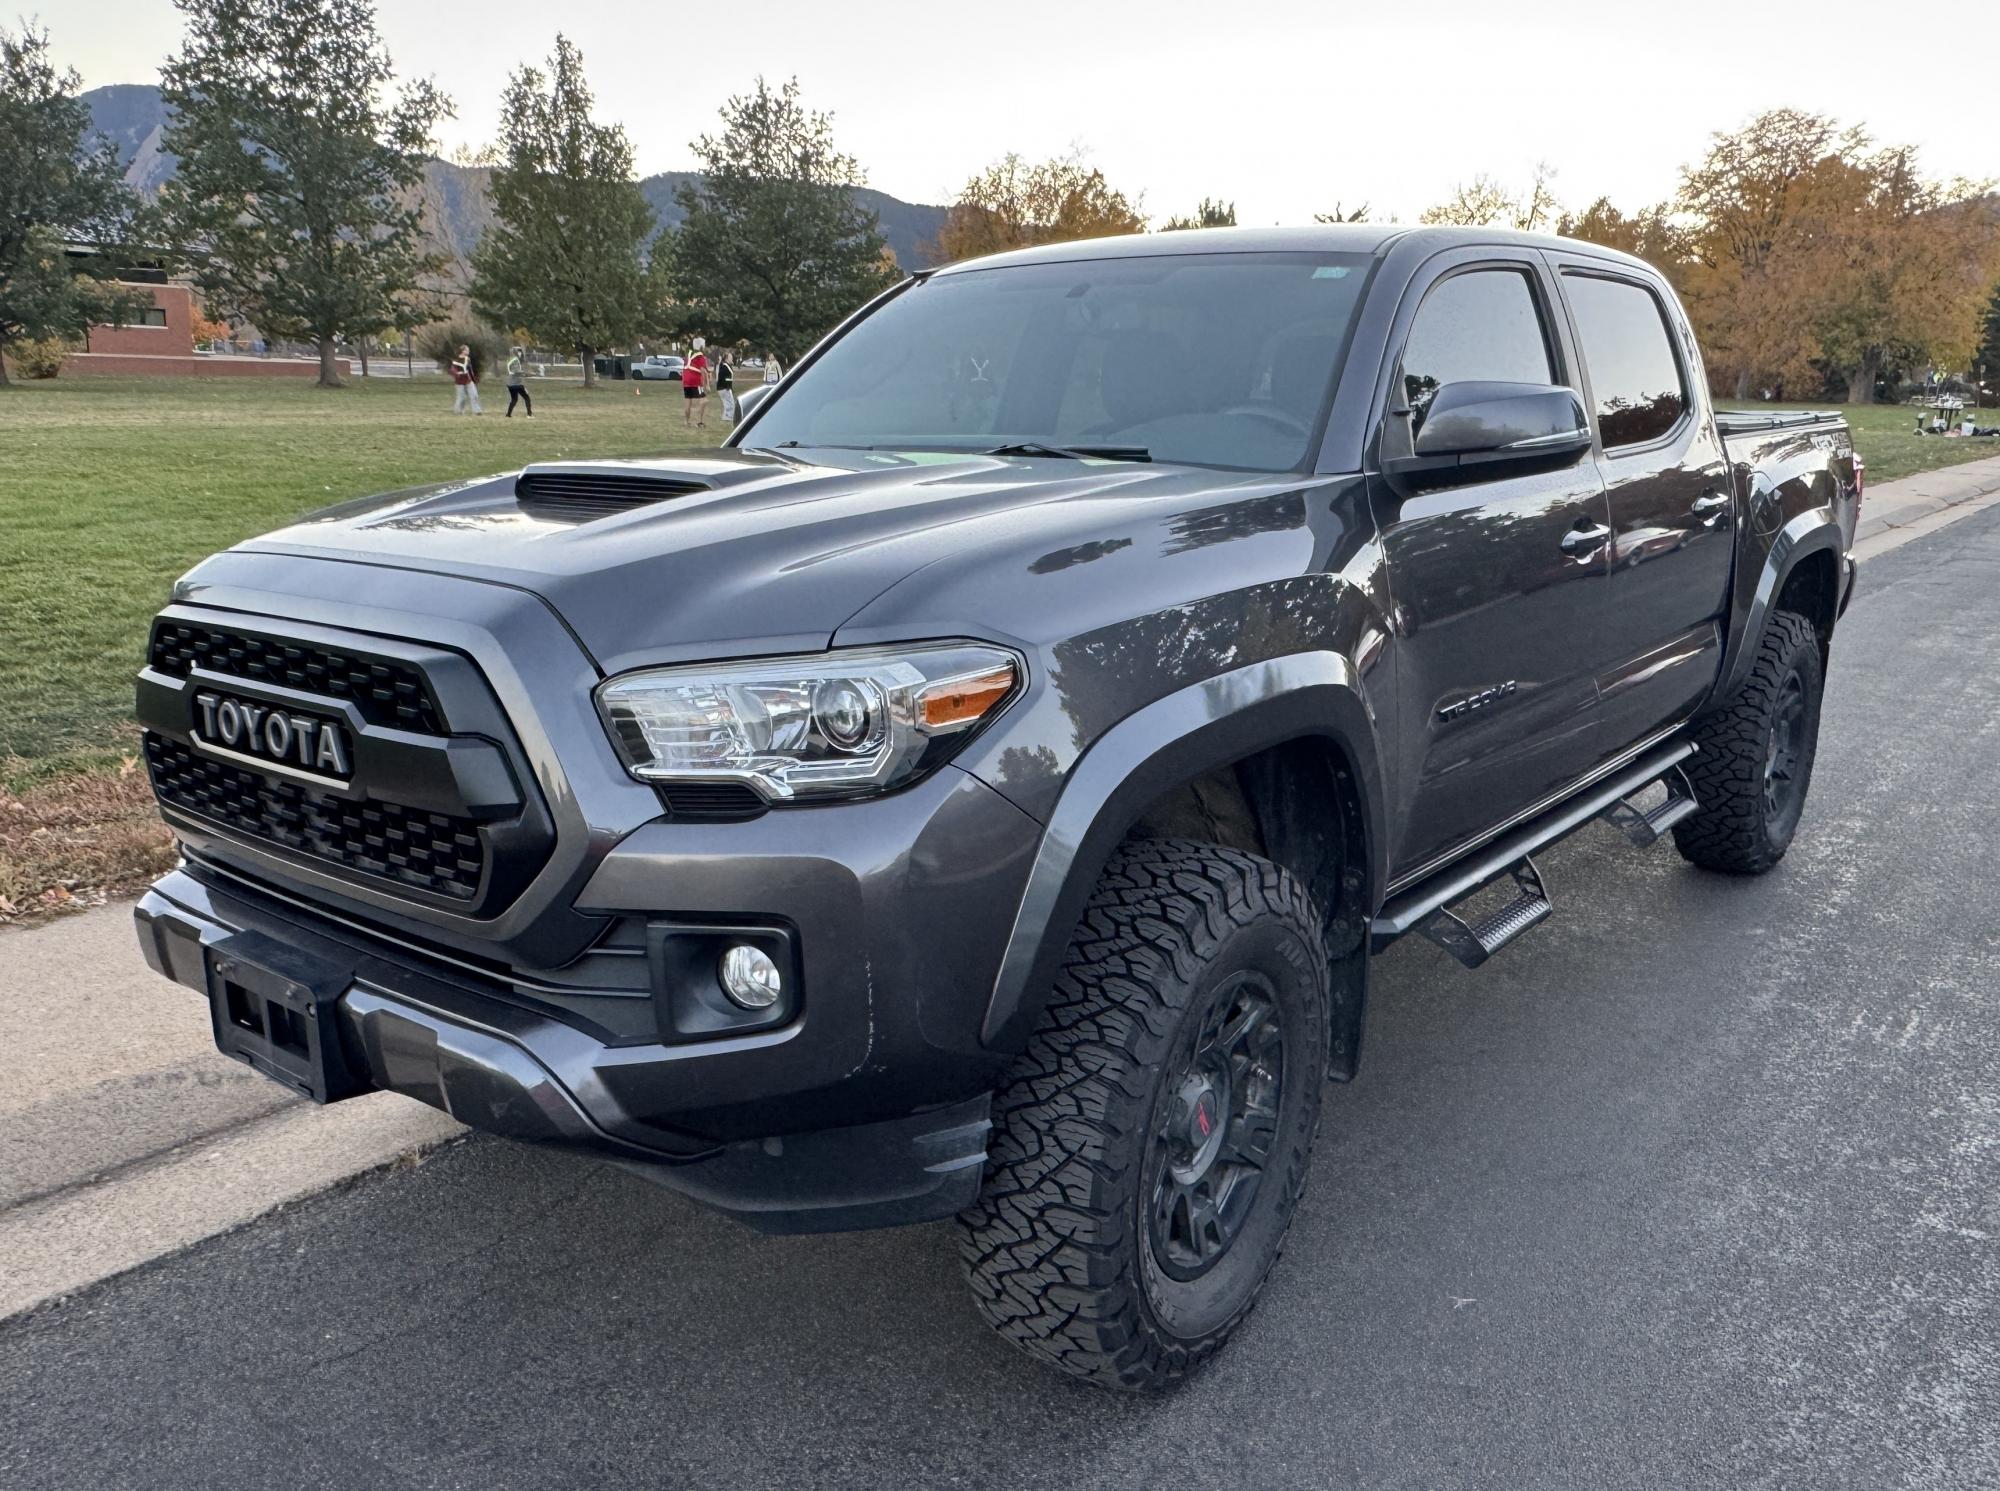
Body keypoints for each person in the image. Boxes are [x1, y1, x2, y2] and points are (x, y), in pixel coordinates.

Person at [682, 344, 709, 427]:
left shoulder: (688, 355)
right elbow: (703, 371)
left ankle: (686, 421)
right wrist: (706, 385)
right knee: (703, 401)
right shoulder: (701, 357)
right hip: (695, 380)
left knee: (688, 402)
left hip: (686, 381)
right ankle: (699, 422)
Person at [451, 345, 482, 415]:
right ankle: (459, 411)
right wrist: (456, 374)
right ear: (463, 351)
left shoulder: (467, 359)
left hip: (468, 380)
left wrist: (474, 379)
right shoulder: (456, 360)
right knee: (462, 397)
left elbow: (470, 370)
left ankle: (477, 411)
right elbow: (453, 369)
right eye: (467, 350)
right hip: (459, 382)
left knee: (474, 395)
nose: (468, 351)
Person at [505, 346, 532, 418]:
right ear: (516, 352)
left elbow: (514, 371)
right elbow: (516, 371)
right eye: (519, 351)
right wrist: (526, 373)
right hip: (516, 383)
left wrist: (524, 374)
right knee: (527, 398)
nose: (520, 353)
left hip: (510, 383)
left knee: (514, 399)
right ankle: (529, 415)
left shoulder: (510, 359)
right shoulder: (515, 360)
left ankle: (508, 414)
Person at [715, 350, 735, 421]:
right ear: (726, 359)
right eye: (730, 357)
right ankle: (728, 416)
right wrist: (728, 387)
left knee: (727, 402)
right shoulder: (725, 366)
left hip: (723, 388)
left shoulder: (726, 366)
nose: (732, 358)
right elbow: (726, 378)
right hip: (724, 388)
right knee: (730, 403)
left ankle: (725, 416)